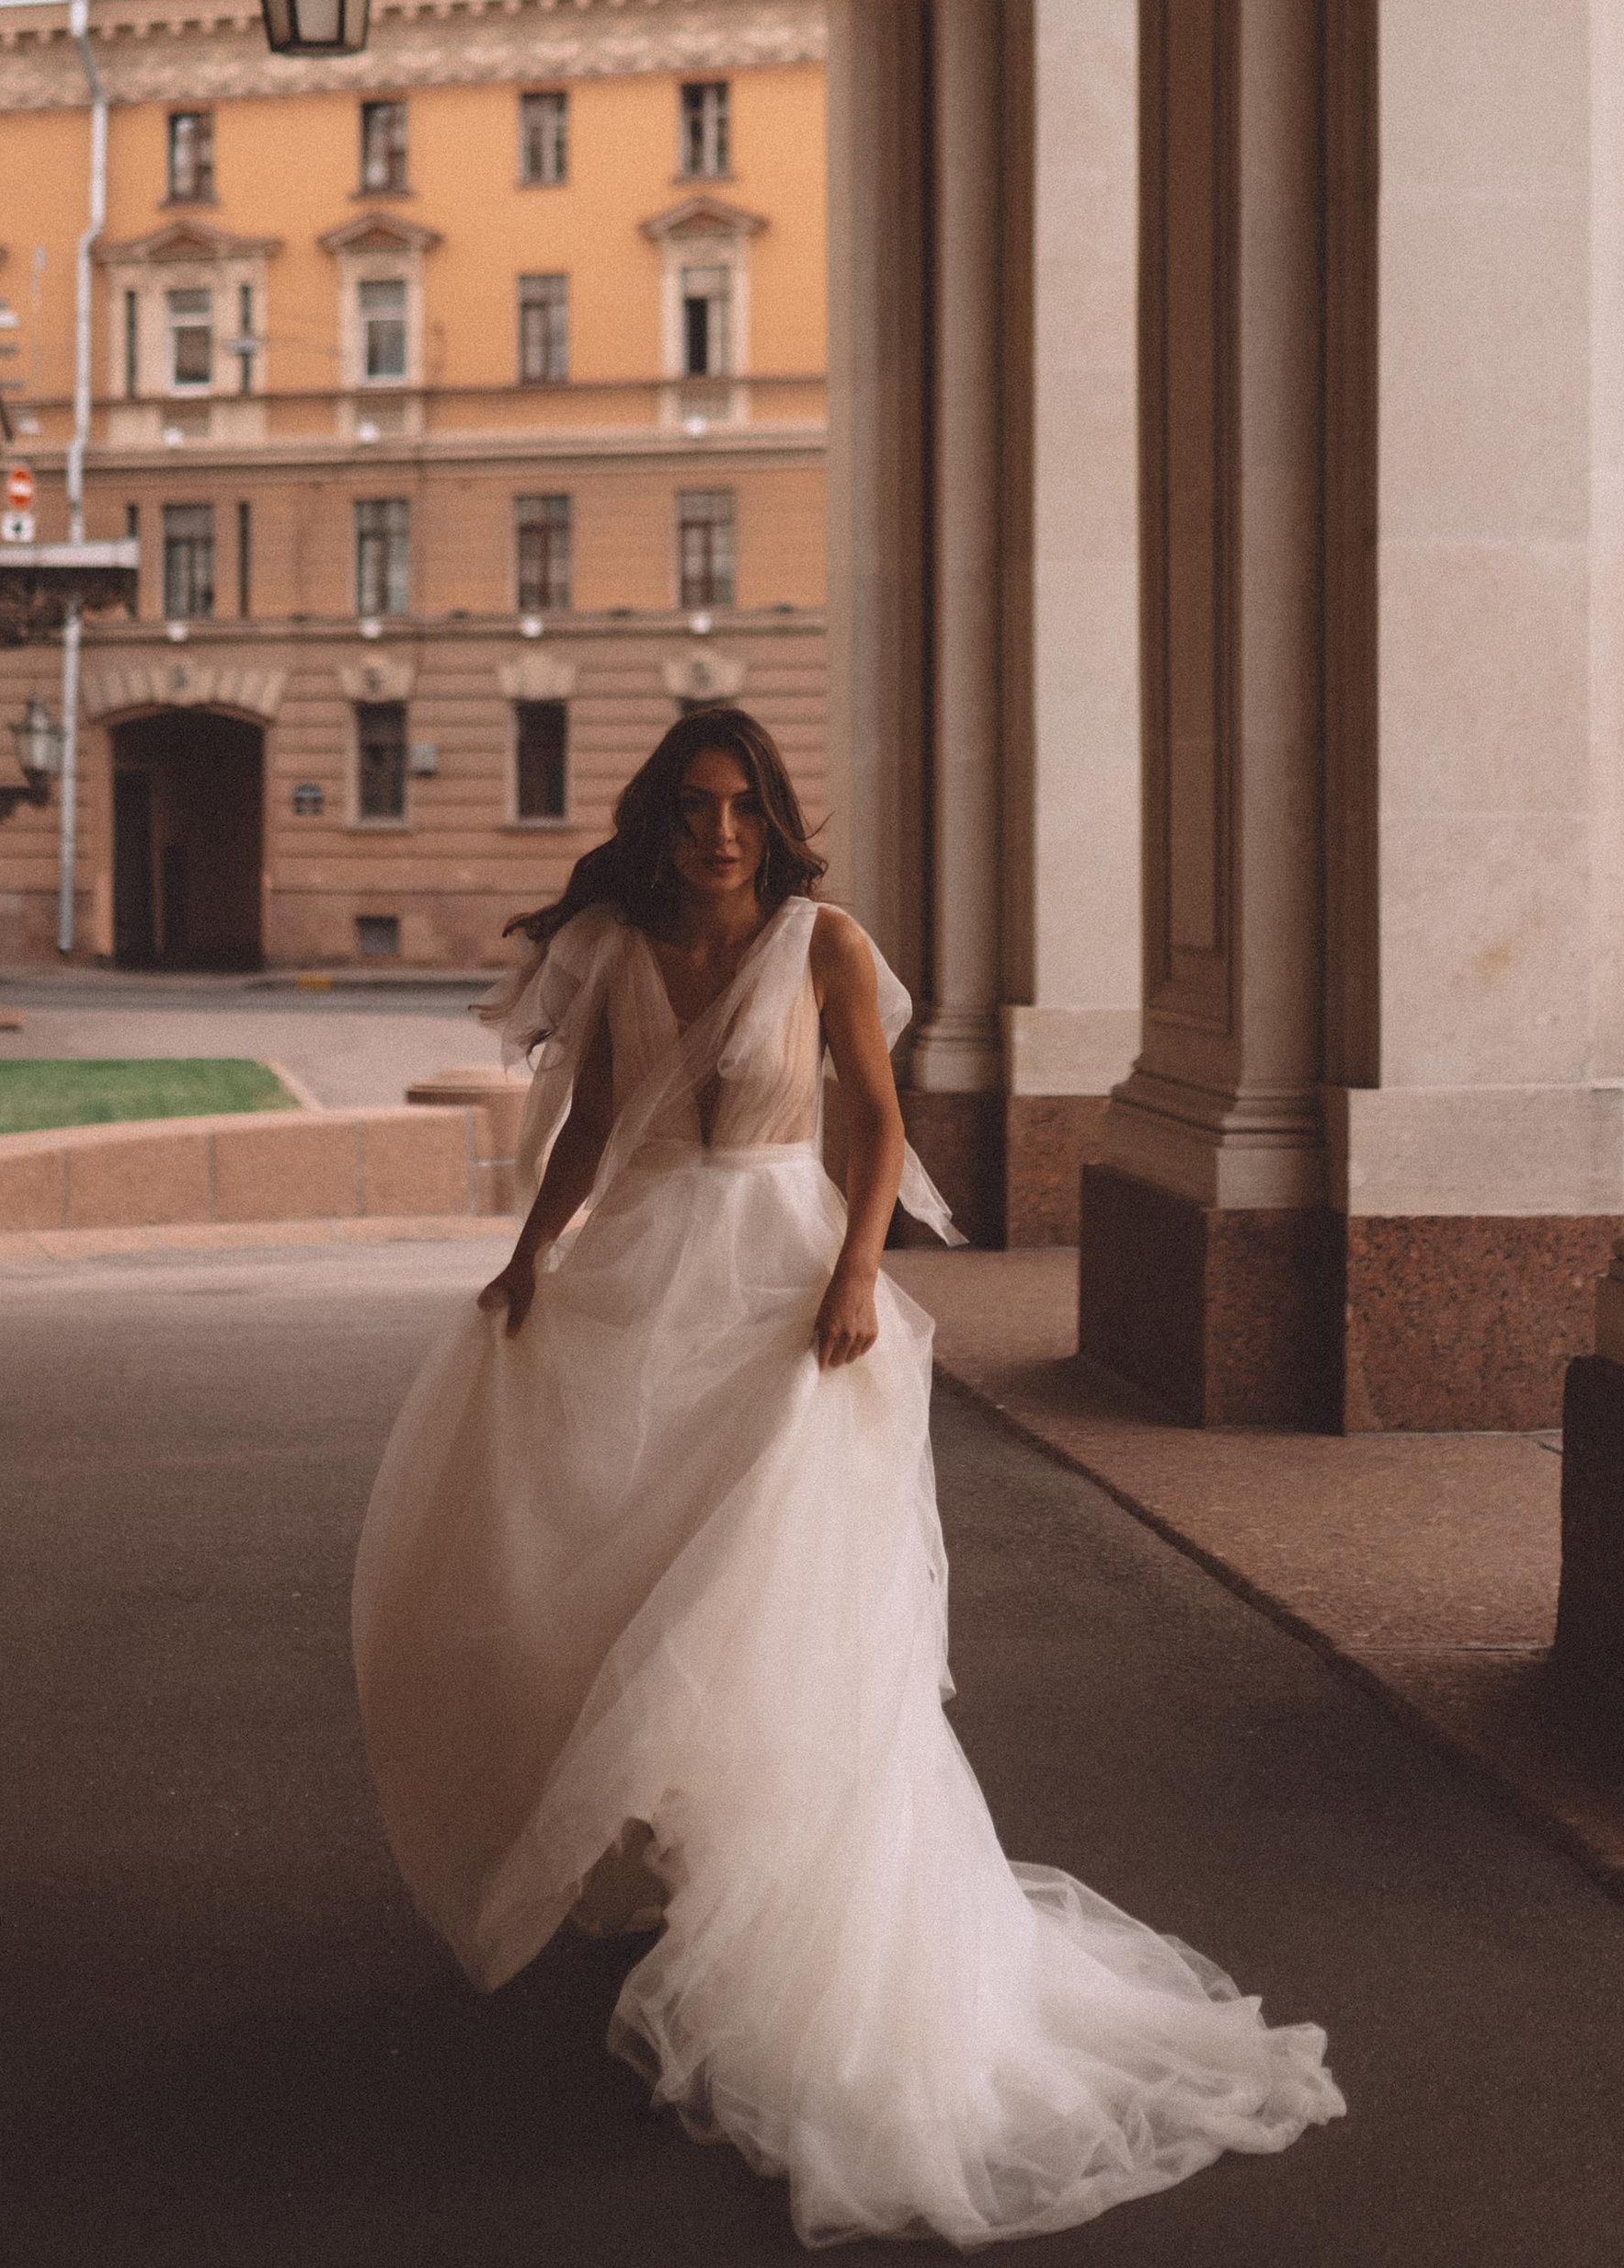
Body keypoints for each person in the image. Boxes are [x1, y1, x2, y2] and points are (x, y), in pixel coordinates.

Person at [351, 709, 1344, 2246]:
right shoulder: (615, 943)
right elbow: (597, 1126)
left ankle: (785, 1927)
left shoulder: (822, 942)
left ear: (774, 813)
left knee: (775, 1610)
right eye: (696, 808)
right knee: (623, 1578)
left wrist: (859, 1274)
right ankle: (686, 1873)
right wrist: (526, 1257)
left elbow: (877, 1125)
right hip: (640, 1288)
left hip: (780, 1295)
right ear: (661, 819)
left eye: (743, 806)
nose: (722, 833)